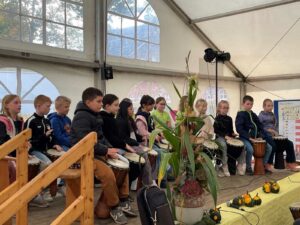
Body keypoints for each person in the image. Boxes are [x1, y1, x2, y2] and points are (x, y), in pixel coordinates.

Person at [70, 87, 136, 224]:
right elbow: (83, 142)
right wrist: (105, 151)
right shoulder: (81, 117)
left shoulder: (95, 114)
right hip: (83, 156)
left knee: (124, 164)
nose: (101, 104)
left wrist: (110, 149)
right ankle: (114, 206)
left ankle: (123, 199)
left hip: (95, 152)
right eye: (98, 101)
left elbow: (101, 137)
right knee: (107, 174)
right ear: (88, 102)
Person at [100, 94, 152, 187]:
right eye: (116, 105)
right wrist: (126, 146)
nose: (118, 107)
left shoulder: (122, 119)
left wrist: (139, 140)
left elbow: (122, 137)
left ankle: (138, 185)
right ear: (107, 106)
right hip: (113, 147)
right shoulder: (113, 120)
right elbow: (114, 138)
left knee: (141, 157)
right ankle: (146, 184)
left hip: (119, 145)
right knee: (136, 161)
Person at [25, 94, 63, 206]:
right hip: (34, 150)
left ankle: (50, 189)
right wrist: (44, 136)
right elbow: (27, 141)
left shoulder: (47, 121)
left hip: (45, 150)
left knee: (62, 160)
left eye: (49, 106)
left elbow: (52, 136)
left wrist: (55, 144)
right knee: (47, 164)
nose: (49, 108)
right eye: (47, 106)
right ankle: (37, 192)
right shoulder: (31, 121)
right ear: (38, 105)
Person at [116, 98, 153, 186]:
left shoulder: (130, 120)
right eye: (130, 109)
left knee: (146, 153)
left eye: (132, 108)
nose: (133, 110)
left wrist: (141, 138)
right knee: (144, 155)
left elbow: (135, 135)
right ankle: (148, 183)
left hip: (133, 144)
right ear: (124, 109)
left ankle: (146, 181)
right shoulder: (120, 121)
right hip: (127, 146)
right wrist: (136, 143)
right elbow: (124, 138)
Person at [235, 95, 272, 175]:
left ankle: (262, 166)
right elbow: (239, 129)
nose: (250, 106)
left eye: (251, 104)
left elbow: (260, 125)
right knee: (250, 149)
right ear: (243, 104)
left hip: (256, 138)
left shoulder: (253, 114)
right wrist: (249, 138)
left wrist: (260, 136)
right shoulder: (240, 114)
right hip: (244, 138)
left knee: (269, 148)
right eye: (248, 104)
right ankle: (248, 168)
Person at [258, 99, 298, 170]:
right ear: (264, 106)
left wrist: (276, 132)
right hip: (265, 136)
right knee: (273, 145)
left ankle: (290, 163)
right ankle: (268, 164)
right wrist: (268, 130)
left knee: (289, 143)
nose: (271, 107)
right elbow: (259, 128)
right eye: (268, 106)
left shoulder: (273, 115)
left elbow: (276, 126)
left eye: (271, 106)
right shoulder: (260, 116)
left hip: (273, 136)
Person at [135, 95, 165, 187]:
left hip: (151, 142)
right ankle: (154, 178)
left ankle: (160, 178)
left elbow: (152, 128)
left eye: (153, 104)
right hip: (144, 143)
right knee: (160, 153)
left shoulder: (149, 115)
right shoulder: (140, 117)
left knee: (163, 152)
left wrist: (159, 134)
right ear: (144, 105)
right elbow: (142, 132)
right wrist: (154, 136)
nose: (152, 106)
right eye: (150, 104)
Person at [213, 100, 245, 176]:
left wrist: (233, 134)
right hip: (219, 138)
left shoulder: (229, 118)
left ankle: (240, 164)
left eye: (226, 108)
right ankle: (224, 165)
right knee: (223, 145)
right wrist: (225, 136)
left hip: (229, 138)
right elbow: (216, 130)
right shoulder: (217, 118)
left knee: (242, 144)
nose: (225, 109)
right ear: (219, 109)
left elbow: (230, 130)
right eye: (223, 108)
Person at [0, 94, 24, 183]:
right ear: (6, 105)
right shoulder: (2, 120)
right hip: (4, 153)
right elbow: (2, 142)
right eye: (16, 103)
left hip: (15, 152)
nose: (19, 105)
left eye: (20, 103)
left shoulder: (20, 121)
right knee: (14, 168)